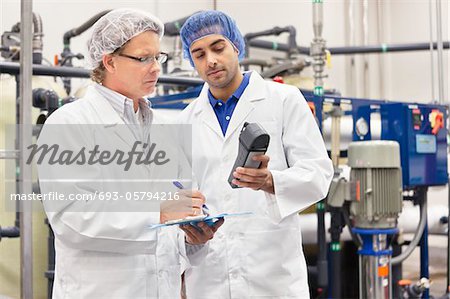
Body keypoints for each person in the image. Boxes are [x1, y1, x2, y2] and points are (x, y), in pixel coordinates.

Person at [37, 8, 222, 298]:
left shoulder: (163, 127)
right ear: (109, 61)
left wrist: (191, 235)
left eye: (158, 57)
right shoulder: (68, 124)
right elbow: (72, 218)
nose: (156, 68)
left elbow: (178, 204)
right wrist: (158, 212)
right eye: (143, 58)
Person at [178, 10, 334, 298]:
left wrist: (270, 181)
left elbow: (319, 174)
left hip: (273, 276)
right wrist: (188, 229)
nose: (210, 60)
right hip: (210, 278)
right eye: (198, 54)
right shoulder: (186, 119)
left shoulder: (284, 100)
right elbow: (180, 195)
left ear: (236, 47)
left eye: (218, 47)